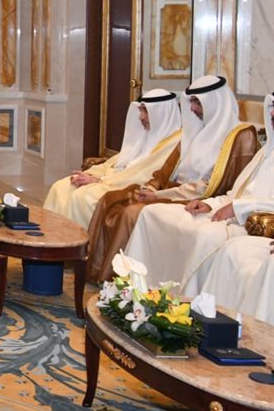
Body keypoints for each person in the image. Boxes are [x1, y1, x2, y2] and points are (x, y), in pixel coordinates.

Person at [84, 75, 259, 283]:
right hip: (170, 191)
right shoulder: (195, 130)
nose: (192, 109)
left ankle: (127, 280)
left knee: (132, 213)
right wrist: (151, 188)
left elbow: (212, 186)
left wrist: (159, 195)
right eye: (191, 102)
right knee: (111, 199)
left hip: (196, 198)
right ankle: (98, 271)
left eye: (197, 102)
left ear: (215, 102)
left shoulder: (241, 136)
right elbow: (167, 170)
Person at [123, 91, 274, 291]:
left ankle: (186, 298)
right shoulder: (266, 153)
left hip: (250, 223)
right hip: (227, 211)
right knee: (151, 214)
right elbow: (235, 193)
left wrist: (237, 208)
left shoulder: (243, 136)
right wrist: (209, 204)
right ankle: (137, 289)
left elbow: (256, 203)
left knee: (205, 236)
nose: (271, 115)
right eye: (272, 110)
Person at [43, 89, 181, 227]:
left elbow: (143, 176)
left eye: (146, 111)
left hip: (128, 188)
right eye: (141, 110)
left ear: (162, 113)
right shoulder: (146, 134)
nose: (141, 117)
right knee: (61, 187)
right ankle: (52, 237)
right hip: (114, 179)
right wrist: (91, 174)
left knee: (84, 197)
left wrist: (100, 181)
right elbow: (116, 162)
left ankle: (79, 240)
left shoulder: (174, 143)